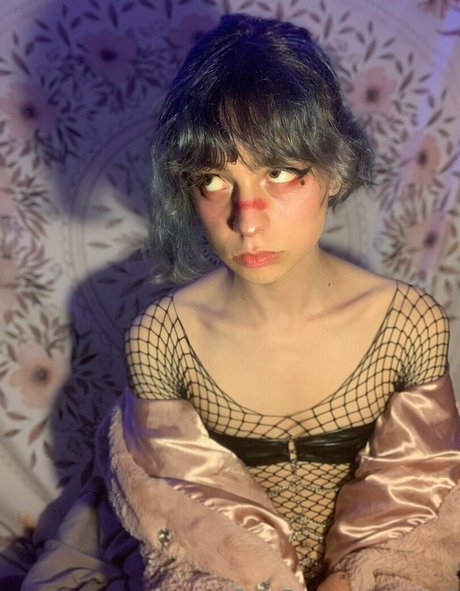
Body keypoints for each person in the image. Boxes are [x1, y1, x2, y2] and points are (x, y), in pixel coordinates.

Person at [19, 12, 460, 591]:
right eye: (214, 180)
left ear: (334, 170)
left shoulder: (408, 326)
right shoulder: (162, 339)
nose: (246, 221)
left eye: (279, 172)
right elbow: (184, 532)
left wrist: (352, 580)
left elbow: (420, 508)